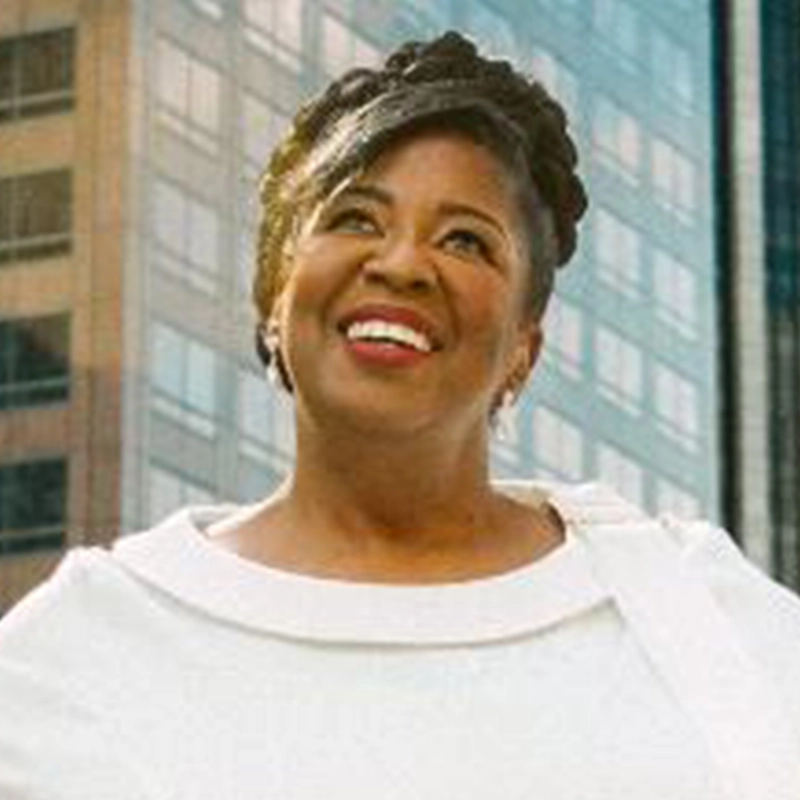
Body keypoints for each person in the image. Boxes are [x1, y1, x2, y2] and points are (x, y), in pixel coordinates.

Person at [1, 30, 800, 800]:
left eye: (466, 241)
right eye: (354, 219)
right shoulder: (79, 650)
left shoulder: (696, 609)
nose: (402, 262)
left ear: (525, 348)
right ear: (273, 298)